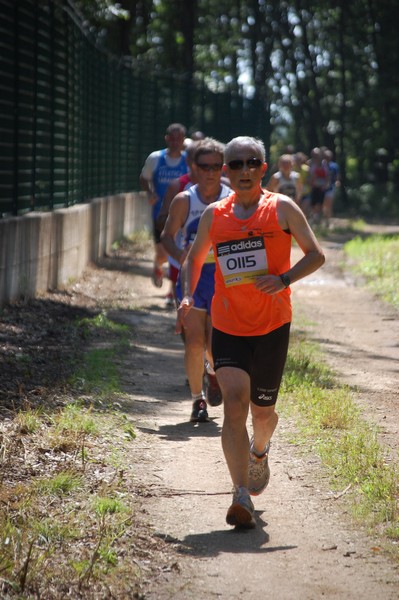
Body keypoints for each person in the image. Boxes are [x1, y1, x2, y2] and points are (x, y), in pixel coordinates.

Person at [177, 136, 325, 528]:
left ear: (263, 168)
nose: (244, 170)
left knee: (263, 415)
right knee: (235, 405)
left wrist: (285, 278)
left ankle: (260, 451)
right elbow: (193, 258)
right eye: (236, 164)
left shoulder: (282, 208)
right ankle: (239, 494)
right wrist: (189, 296)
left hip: (272, 325)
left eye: (251, 163)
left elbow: (317, 254)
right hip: (227, 326)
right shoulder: (214, 214)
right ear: (226, 170)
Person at [161, 138, 231, 422]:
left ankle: (213, 373)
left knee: (215, 346)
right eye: (205, 166)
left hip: (225, 278)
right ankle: (197, 400)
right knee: (193, 342)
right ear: (194, 168)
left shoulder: (231, 197)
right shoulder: (184, 200)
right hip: (193, 276)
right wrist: (182, 255)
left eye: (217, 166)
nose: (211, 172)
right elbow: (166, 235)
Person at [139, 123, 188, 301]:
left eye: (179, 139)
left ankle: (171, 290)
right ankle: (158, 265)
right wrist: (150, 192)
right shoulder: (156, 158)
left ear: (183, 140)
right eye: (172, 138)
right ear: (166, 139)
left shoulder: (188, 160)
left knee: (179, 251)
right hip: (160, 214)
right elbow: (144, 178)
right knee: (163, 253)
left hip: (183, 215)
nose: (175, 142)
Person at [308, 147, 329, 223]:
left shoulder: (324, 163)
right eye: (314, 154)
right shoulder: (309, 163)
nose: (315, 156)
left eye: (316, 154)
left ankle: (319, 219)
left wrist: (325, 185)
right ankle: (313, 219)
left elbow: (327, 175)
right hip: (312, 187)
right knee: (312, 204)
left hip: (321, 187)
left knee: (320, 203)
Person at [322, 149, 340, 224]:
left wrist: (337, 182)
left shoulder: (334, 166)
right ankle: (323, 219)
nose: (327, 158)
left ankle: (328, 220)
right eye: (326, 156)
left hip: (330, 187)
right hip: (321, 188)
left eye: (328, 156)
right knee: (322, 204)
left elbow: (337, 177)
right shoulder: (321, 165)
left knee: (329, 203)